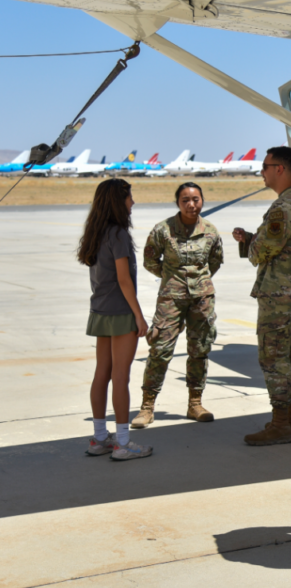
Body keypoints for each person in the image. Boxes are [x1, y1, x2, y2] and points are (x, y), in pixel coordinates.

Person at [232, 146, 291, 446]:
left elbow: (264, 251)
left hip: (279, 295)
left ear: (280, 169)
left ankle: (280, 425)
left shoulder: (284, 206)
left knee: (274, 357)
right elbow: (283, 244)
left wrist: (253, 245)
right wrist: (252, 238)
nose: (262, 172)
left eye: (265, 166)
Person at [132, 182, 224, 428]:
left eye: (195, 199)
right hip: (171, 298)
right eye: (185, 200)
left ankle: (195, 403)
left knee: (200, 350)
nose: (191, 204)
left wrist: (200, 281)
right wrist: (171, 277)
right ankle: (147, 407)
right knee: (160, 349)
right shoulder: (163, 230)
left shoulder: (211, 231)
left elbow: (215, 261)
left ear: (202, 201)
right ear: (177, 203)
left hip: (202, 299)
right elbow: (150, 259)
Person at [78, 178, 153, 461]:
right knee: (120, 378)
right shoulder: (119, 234)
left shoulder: (96, 232)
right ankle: (122, 443)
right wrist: (138, 315)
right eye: (129, 197)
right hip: (120, 313)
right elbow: (124, 280)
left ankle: (99, 439)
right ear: (118, 202)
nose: (132, 202)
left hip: (100, 311)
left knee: (102, 375)